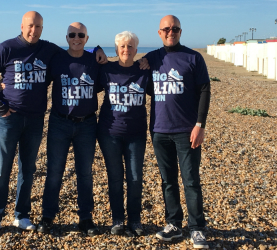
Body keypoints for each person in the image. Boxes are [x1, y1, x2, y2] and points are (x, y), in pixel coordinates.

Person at [0, 11, 106, 237]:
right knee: (1, 171)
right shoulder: (7, 48)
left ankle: (22, 215)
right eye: (30, 26)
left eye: (37, 27)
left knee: (28, 169)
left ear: (42, 28)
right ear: (22, 26)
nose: (33, 30)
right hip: (9, 118)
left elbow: (77, 52)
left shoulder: (49, 50)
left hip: (37, 119)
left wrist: (97, 50)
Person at [145, 15, 211, 249]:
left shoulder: (193, 57)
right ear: (159, 32)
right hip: (159, 131)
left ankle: (197, 228)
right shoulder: (151, 58)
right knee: (168, 181)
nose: (170, 32)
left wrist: (200, 125)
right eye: (166, 29)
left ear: (180, 32)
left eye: (175, 29)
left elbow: (204, 90)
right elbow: (126, 66)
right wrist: (98, 52)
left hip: (187, 131)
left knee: (191, 181)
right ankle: (174, 224)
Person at [35, 22, 101, 236]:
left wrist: (98, 49)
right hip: (59, 122)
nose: (76, 38)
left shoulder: (94, 60)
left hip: (87, 124)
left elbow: (110, 78)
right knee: (54, 172)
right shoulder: (57, 59)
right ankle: (47, 216)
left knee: (85, 173)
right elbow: (37, 82)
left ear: (87, 38)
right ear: (66, 38)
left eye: (81, 35)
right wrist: (6, 85)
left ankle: (85, 218)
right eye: (72, 34)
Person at [96, 31, 151, 237]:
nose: (126, 50)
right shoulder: (107, 70)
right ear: (117, 49)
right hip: (109, 133)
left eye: (130, 46)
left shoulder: (144, 71)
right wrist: (96, 48)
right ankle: (117, 219)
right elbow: (85, 68)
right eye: (122, 46)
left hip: (136, 134)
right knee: (115, 177)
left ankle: (135, 219)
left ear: (136, 50)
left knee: (135, 178)